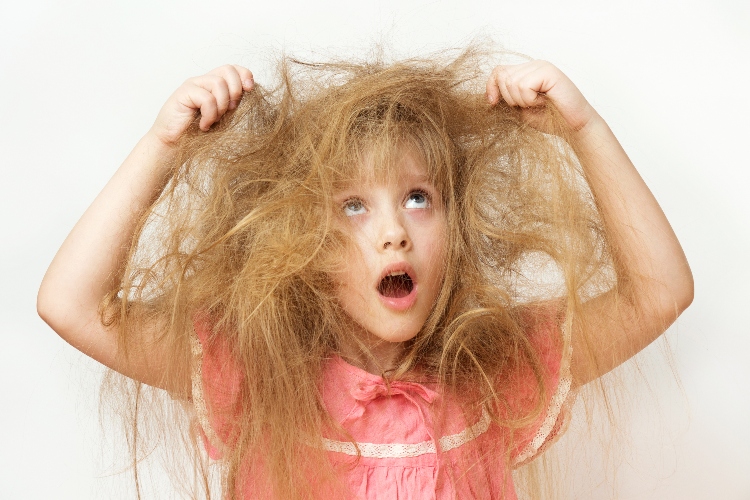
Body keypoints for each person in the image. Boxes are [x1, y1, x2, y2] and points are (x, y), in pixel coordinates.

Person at [38, 47, 693, 499]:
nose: (393, 230)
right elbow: (70, 304)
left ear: (454, 228)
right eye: (353, 206)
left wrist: (585, 131)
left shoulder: (497, 369)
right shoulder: (253, 371)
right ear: (304, 246)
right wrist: (164, 148)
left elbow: (660, 294)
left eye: (418, 197)